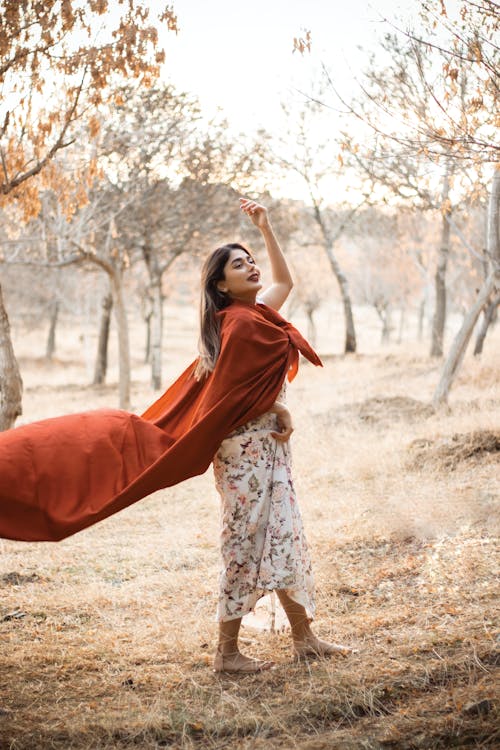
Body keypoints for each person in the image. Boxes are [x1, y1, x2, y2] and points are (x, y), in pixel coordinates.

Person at [201, 198, 352, 673]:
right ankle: (226, 653)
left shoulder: (254, 312)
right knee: (246, 541)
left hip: (267, 445)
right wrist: (278, 404)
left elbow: (284, 281)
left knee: (281, 535)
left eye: (250, 260)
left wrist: (266, 228)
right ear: (221, 284)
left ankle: (303, 638)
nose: (250, 267)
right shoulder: (238, 323)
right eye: (237, 265)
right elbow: (232, 391)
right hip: (243, 449)